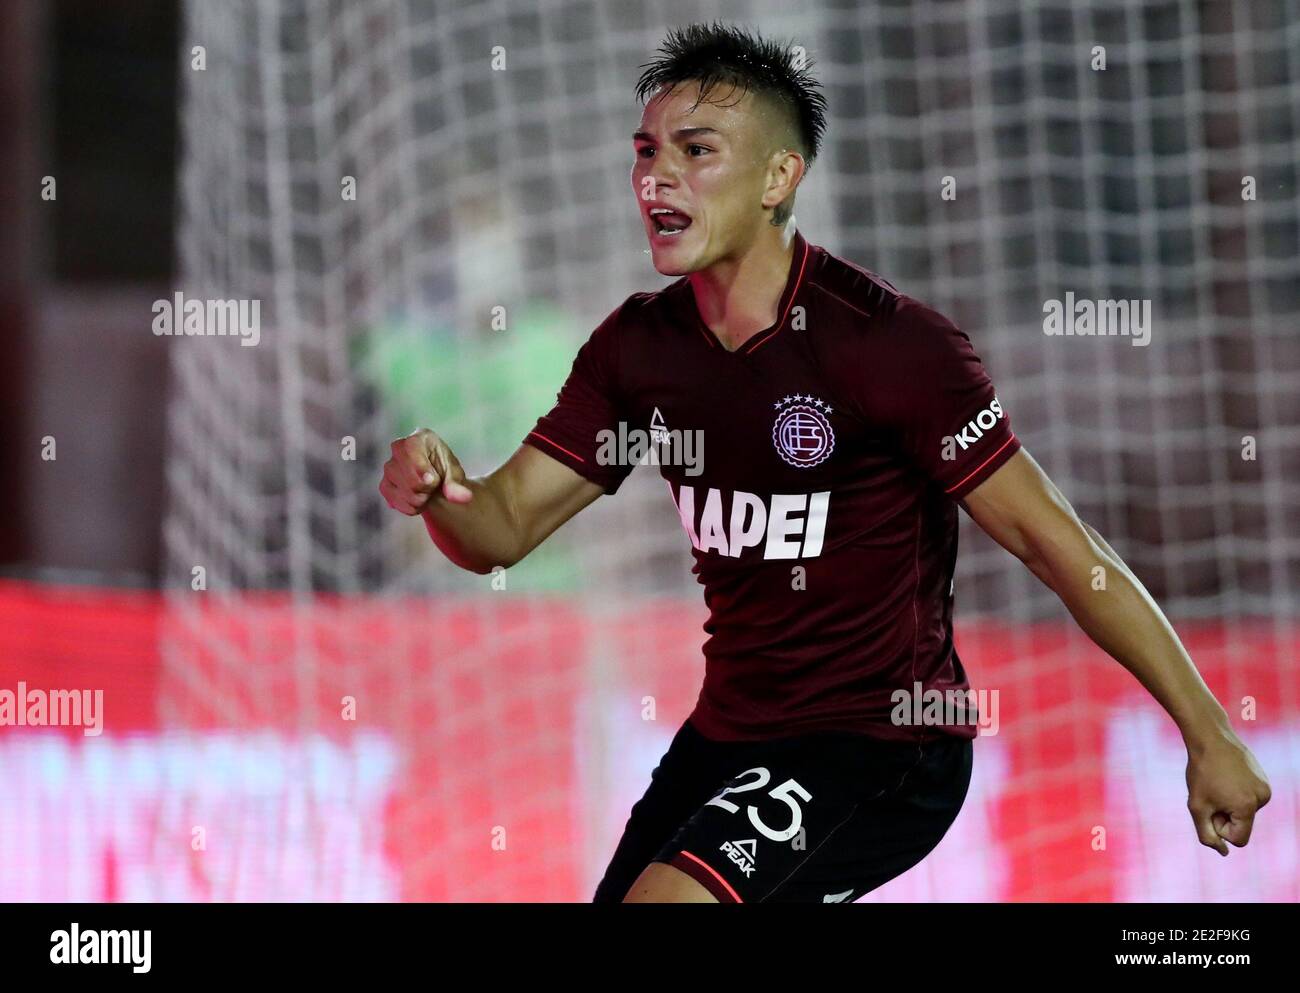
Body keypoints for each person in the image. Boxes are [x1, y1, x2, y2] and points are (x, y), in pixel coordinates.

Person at [380, 23, 1270, 903]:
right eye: (647, 151)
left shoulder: (890, 346)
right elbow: (498, 529)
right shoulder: (637, 349)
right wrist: (437, 487)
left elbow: (1058, 545)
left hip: (883, 745)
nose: (658, 175)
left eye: (697, 151)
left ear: (779, 177)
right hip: (729, 738)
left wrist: (1206, 730)